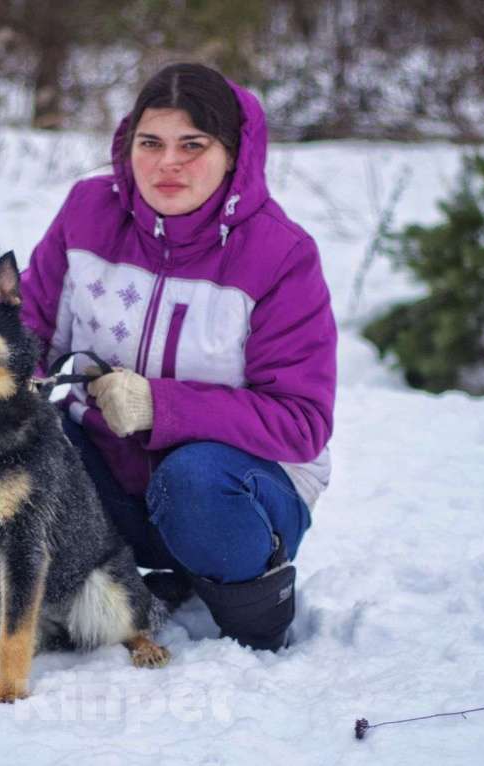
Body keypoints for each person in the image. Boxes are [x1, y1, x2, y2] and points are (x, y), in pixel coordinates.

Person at [20, 63, 336, 651]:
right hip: (109, 482)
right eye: (151, 143)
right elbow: (29, 330)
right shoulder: (88, 212)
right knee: (15, 441)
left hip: (233, 493)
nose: (168, 163)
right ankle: (58, 600)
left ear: (233, 153)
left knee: (193, 481)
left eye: (193, 145)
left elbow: (303, 421)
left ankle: (254, 608)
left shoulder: (280, 254)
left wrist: (160, 406)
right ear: (128, 145)